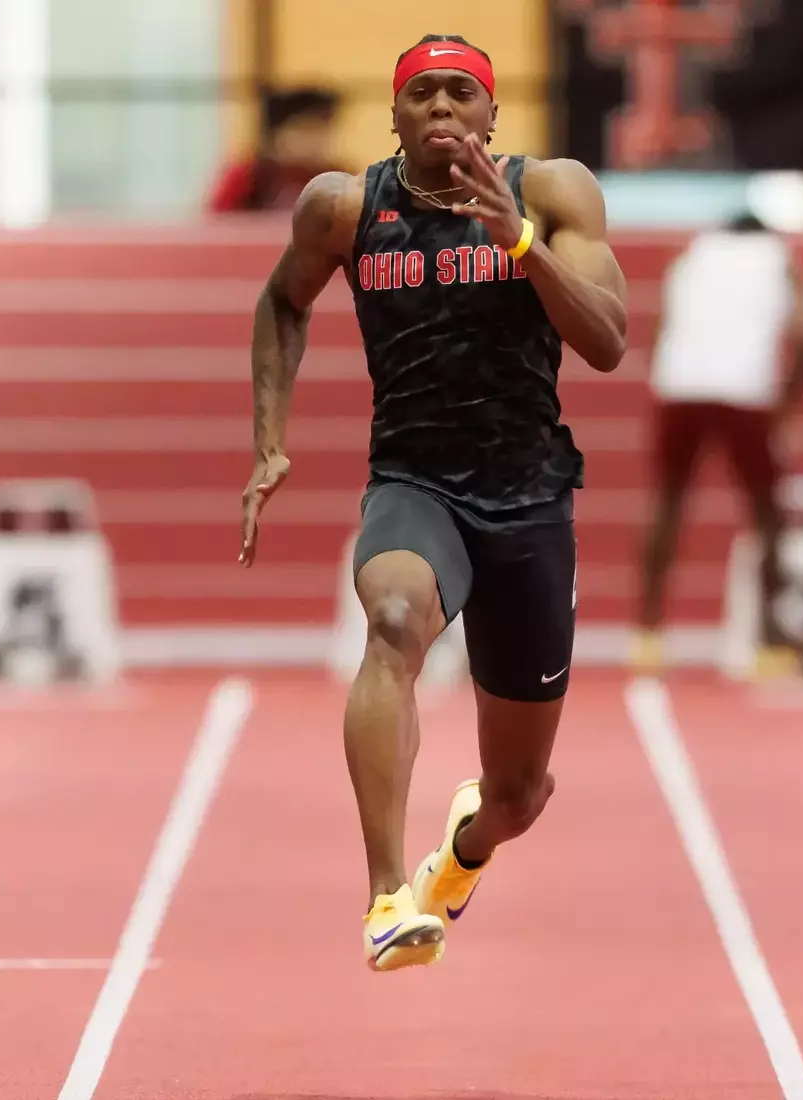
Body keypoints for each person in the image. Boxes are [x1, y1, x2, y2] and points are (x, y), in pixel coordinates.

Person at [237, 33, 627, 972]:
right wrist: (269, 440)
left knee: (519, 794)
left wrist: (521, 243)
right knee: (393, 622)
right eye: (423, 94)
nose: (442, 108)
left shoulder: (553, 192)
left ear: (493, 113)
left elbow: (610, 340)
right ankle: (386, 897)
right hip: (416, 486)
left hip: (530, 501)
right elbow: (283, 302)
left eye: (461, 93)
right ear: (395, 115)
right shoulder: (344, 207)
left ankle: (464, 850)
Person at [630, 211, 803, 677]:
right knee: (768, 516)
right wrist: (789, 404)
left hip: (680, 385)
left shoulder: (689, 256)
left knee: (667, 503)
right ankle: (770, 644)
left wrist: (670, 374)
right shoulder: (779, 257)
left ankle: (647, 636)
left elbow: (659, 329)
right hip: (746, 391)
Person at [207, 88, 345, 214]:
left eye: (323, 130)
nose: (316, 141)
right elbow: (218, 223)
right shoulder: (248, 177)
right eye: (306, 129)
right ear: (276, 133)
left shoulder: (335, 179)